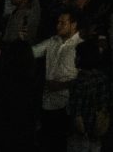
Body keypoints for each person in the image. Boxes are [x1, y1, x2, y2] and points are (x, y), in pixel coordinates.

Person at [34, 9, 83, 152]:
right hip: (47, 100)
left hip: (66, 104)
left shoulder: (80, 46)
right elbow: (33, 52)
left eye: (63, 22)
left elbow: (85, 77)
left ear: (74, 25)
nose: (58, 25)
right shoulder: (53, 41)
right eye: (58, 22)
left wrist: (62, 85)